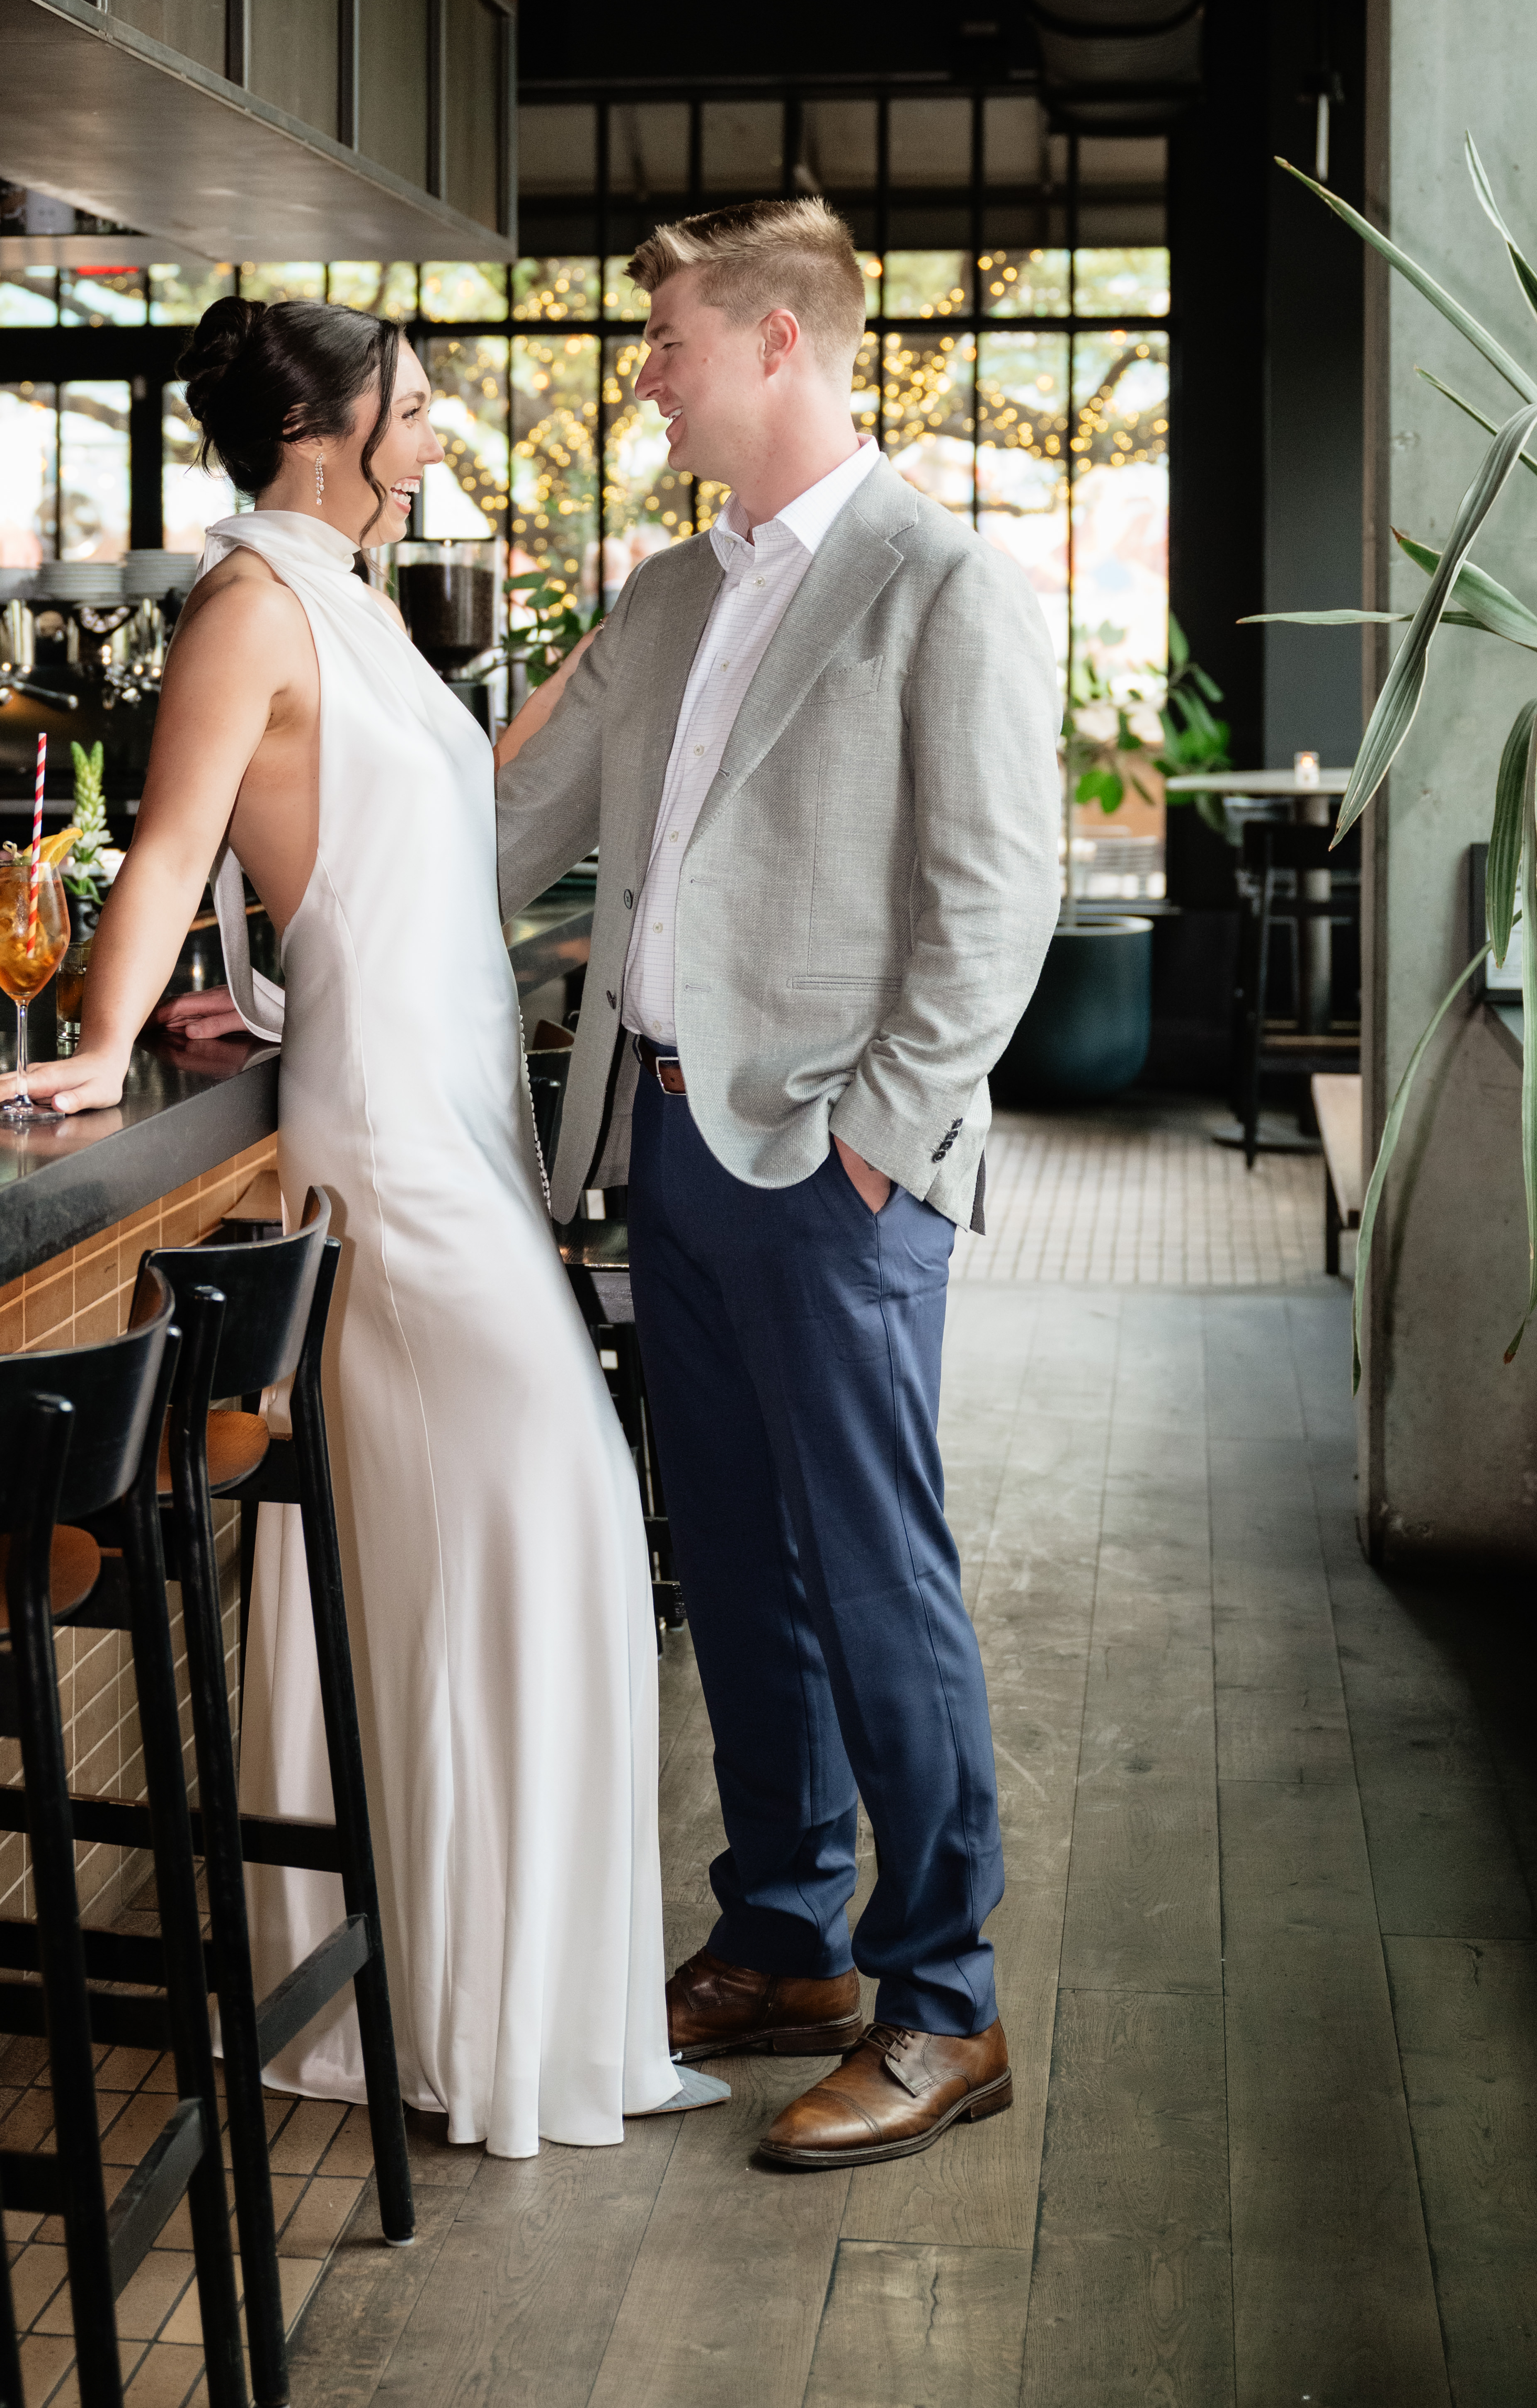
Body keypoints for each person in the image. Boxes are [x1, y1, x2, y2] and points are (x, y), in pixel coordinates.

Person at [0, 296, 714, 2157]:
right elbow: (172, 844)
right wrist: (103, 1039)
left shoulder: (349, 592)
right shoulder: (249, 606)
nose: (438, 417)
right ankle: (476, 2021)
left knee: (504, 1551)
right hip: (394, 1156)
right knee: (551, 1523)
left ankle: (488, 2009)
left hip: (449, 1114)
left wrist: (265, 1012)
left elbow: (391, 877)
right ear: (318, 426)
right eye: (412, 395)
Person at [494, 195, 1061, 2173]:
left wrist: (875, 1144)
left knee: (872, 1568)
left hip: (832, 1165)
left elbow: (996, 896)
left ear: (773, 345)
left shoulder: (938, 582)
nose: (641, 368)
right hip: (662, 1140)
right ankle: (781, 1933)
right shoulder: (662, 595)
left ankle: (942, 1999)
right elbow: (510, 831)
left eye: (665, 334)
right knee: (731, 1560)